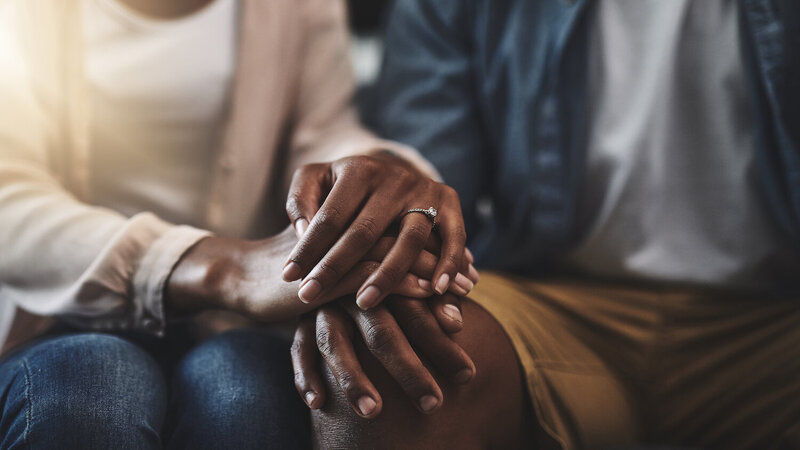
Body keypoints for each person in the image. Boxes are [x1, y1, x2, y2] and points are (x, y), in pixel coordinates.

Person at [293, 0, 800, 449]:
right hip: (551, 301)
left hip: (775, 322)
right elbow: (428, 185)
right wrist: (374, 267)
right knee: (389, 334)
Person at [0, 0, 479, 448]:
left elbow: (322, 129)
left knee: (244, 398)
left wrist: (375, 191)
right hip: (52, 313)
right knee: (87, 386)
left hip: (240, 319)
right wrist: (226, 268)